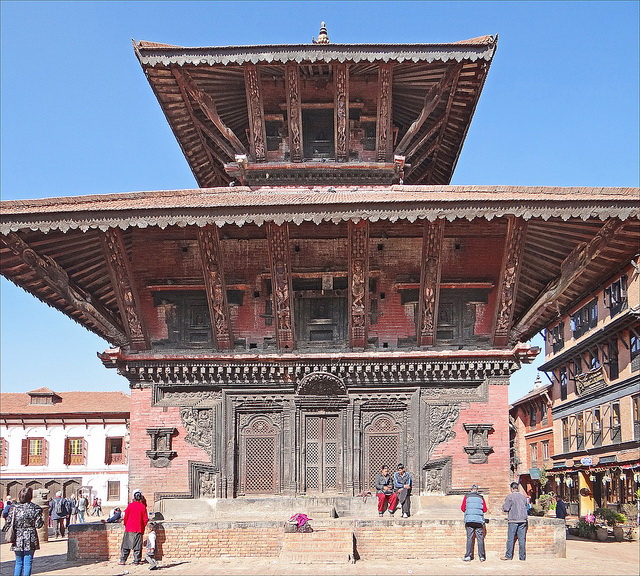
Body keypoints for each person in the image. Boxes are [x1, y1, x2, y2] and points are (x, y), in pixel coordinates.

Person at [6, 487, 44, 576]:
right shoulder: (35, 508)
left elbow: (8, 523)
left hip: (17, 536)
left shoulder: (14, 508)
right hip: (30, 536)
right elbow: (39, 525)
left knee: (18, 562)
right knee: (28, 562)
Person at [118, 489, 148, 566]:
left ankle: (123, 560)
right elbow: (145, 519)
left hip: (129, 528)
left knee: (126, 545)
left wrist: (125, 524)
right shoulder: (143, 507)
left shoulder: (130, 505)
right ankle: (136, 561)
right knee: (137, 546)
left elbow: (126, 516)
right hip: (139, 529)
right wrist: (143, 526)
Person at [501, 482, 528, 561]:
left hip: (513, 519)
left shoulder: (510, 497)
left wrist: (503, 507)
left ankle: (509, 556)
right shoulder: (523, 497)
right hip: (523, 519)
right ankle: (522, 557)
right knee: (522, 540)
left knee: (510, 539)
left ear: (512, 489)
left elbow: (506, 508)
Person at [461, 484, 487, 562]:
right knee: (480, 539)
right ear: (477, 490)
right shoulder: (481, 497)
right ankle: (482, 556)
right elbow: (485, 509)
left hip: (469, 520)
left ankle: (468, 556)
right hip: (479, 520)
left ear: (471, 490)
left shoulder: (467, 497)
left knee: (469, 538)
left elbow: (462, 508)